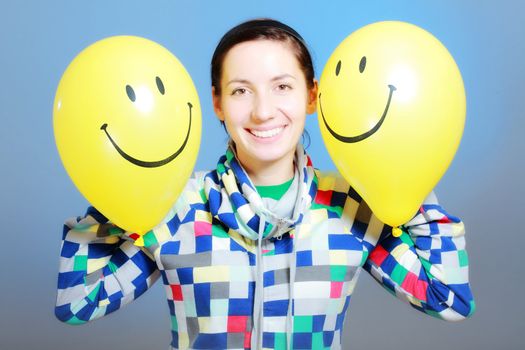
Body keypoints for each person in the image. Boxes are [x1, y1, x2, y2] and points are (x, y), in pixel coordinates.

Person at [55, 18, 475, 350]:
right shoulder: (176, 206)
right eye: (241, 91)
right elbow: (77, 304)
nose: (262, 111)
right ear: (217, 102)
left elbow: (448, 299)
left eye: (282, 87)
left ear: (312, 96)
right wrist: (123, 191)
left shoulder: (351, 206)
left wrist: (405, 179)